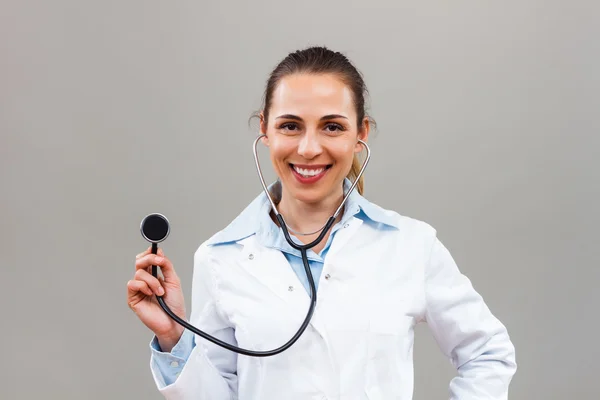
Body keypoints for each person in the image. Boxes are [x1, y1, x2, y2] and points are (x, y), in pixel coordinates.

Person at [127, 46, 517, 400]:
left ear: (360, 133)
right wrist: (173, 336)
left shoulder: (412, 245)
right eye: (290, 126)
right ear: (265, 130)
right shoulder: (219, 258)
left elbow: (488, 355)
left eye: (332, 126)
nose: (309, 148)